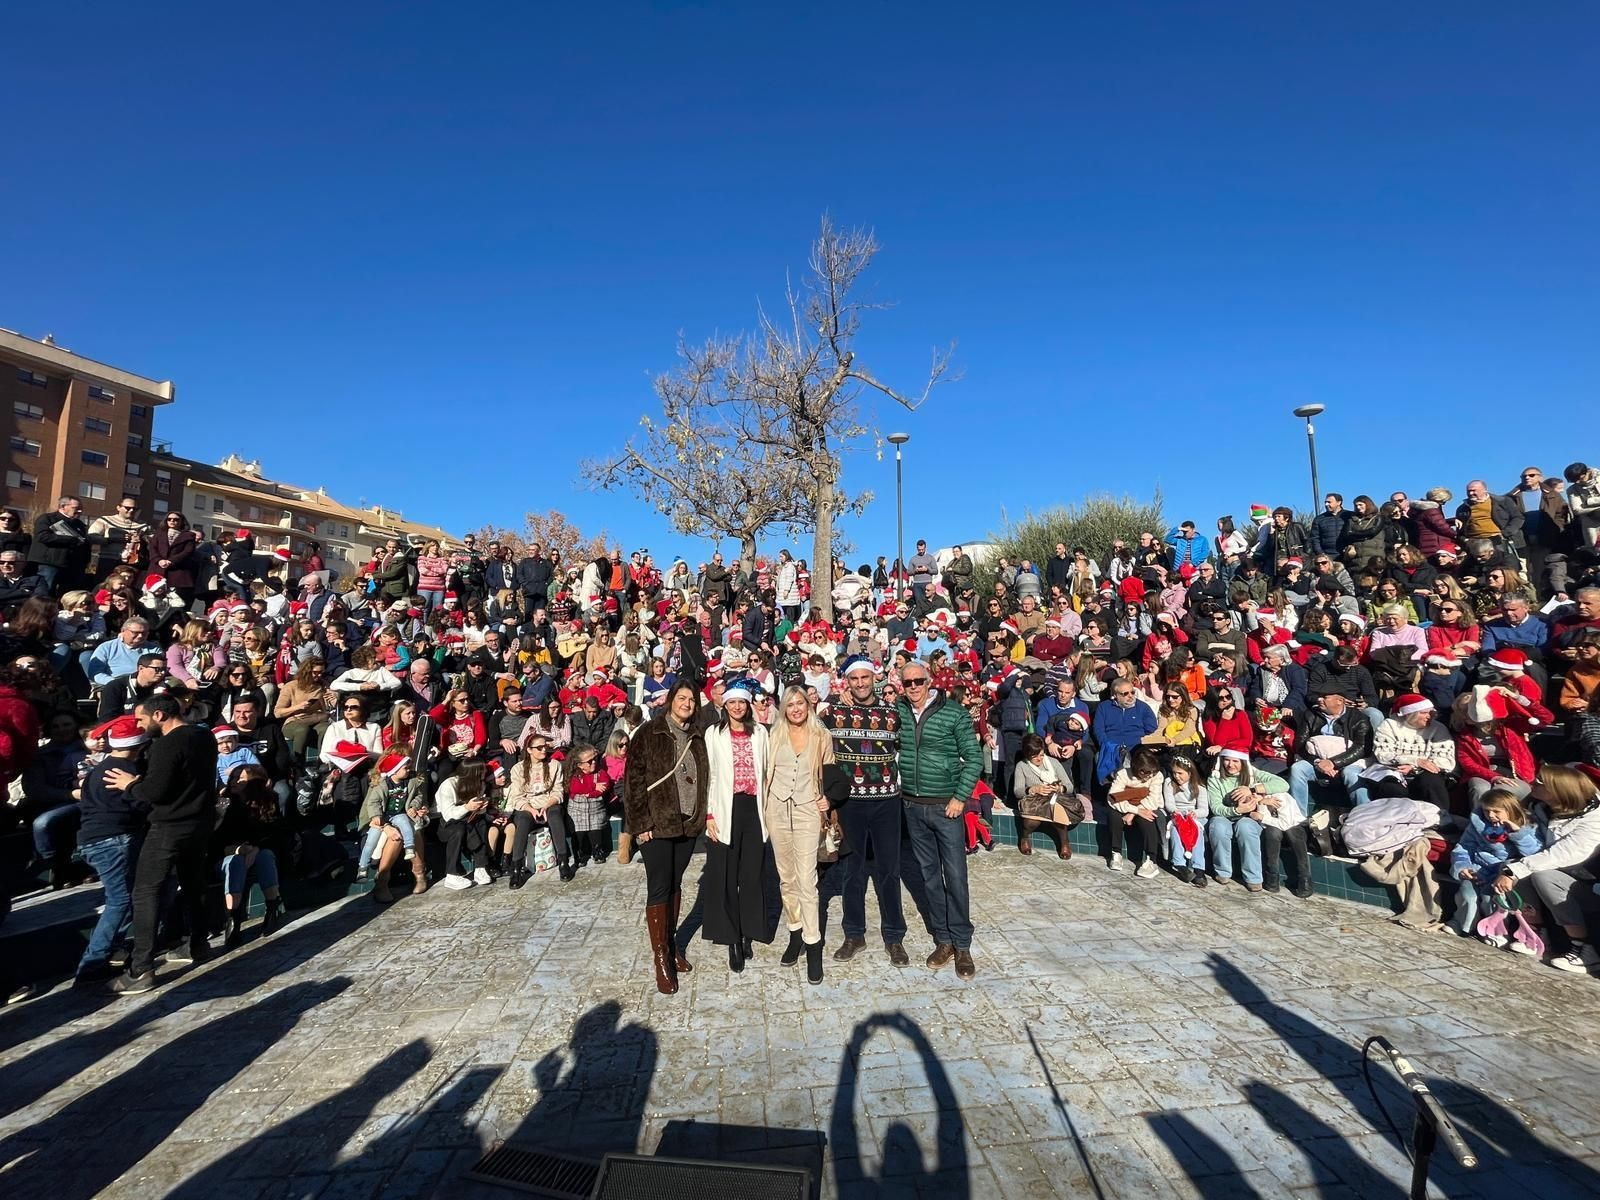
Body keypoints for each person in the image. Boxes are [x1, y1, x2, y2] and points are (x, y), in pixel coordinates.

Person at [107, 695, 219, 994]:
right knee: (193, 883)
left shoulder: (167, 744)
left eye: (142, 720)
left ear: (159, 715)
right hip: (200, 823)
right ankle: (198, 943)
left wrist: (129, 785)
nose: (140, 726)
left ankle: (141, 967)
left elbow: (156, 791)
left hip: (170, 826)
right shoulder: (204, 734)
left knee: (145, 891)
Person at [896, 659, 983, 979]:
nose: (914, 687)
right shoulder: (900, 710)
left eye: (919, 681)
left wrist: (960, 798)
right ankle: (944, 940)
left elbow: (974, 759)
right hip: (913, 806)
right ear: (901, 685)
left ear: (929, 680)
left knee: (956, 876)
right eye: (908, 683)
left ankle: (962, 944)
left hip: (946, 806)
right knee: (929, 876)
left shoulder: (953, 713)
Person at [624, 680, 708, 995]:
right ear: (670, 700)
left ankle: (672, 946)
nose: (687, 703)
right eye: (681, 697)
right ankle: (661, 957)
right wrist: (640, 822)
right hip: (656, 823)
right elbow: (633, 780)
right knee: (659, 886)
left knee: (675, 884)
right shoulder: (649, 732)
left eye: (692, 699)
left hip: (686, 824)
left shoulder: (697, 735)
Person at [826, 656, 908, 966]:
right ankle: (854, 934)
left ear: (874, 678)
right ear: (846, 681)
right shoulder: (834, 712)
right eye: (854, 679)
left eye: (865, 678)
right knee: (853, 872)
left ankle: (894, 936)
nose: (860, 684)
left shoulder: (891, 712)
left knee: (889, 871)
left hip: (887, 800)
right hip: (851, 803)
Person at [1496, 763, 1600, 973]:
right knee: (1517, 869)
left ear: (1558, 791)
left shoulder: (1593, 820)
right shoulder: (1541, 806)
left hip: (1586, 886)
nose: (1533, 783)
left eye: (1540, 782)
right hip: (1558, 874)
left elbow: (1562, 855)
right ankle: (1534, 932)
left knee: (1540, 875)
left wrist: (1512, 871)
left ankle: (1584, 949)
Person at [72, 715, 149, 985]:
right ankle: (91, 964)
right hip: (112, 840)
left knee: (123, 897)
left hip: (94, 840)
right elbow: (138, 806)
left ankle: (112, 949)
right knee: (120, 901)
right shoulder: (122, 772)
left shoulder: (101, 767)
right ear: (138, 745)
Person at [701, 678, 771, 972]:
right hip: (725, 807)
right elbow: (710, 775)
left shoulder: (760, 733)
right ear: (725, 704)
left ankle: (749, 931)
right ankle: (731, 937)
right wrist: (709, 814)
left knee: (752, 874)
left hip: (753, 808)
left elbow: (766, 772)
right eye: (733, 702)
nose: (738, 707)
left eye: (742, 702)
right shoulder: (713, 733)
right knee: (726, 874)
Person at [1448, 786, 1542, 941]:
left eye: (1496, 811)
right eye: (1486, 811)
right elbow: (1464, 847)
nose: (1491, 815)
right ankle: (1464, 924)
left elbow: (1534, 854)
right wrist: (1463, 866)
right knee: (1467, 893)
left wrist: (1517, 834)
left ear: (1510, 809)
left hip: (1502, 871)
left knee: (1491, 898)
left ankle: (1497, 930)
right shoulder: (1478, 825)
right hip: (1478, 869)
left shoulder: (1529, 826)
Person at [1206, 749, 1291, 892]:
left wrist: (1252, 789)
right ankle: (1222, 871)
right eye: (1227, 760)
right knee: (1218, 826)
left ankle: (1253, 877)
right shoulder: (1214, 779)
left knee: (1246, 828)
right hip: (1226, 815)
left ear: (1243, 763)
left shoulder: (1253, 774)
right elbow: (1216, 807)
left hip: (1249, 817)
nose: (1230, 765)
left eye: (1235, 761)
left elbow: (1283, 784)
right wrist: (1237, 810)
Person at [1011, 732, 1082, 859]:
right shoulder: (1022, 766)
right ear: (1027, 755)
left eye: (1041, 755)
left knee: (1059, 815)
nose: (1039, 759)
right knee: (1031, 822)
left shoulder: (1053, 762)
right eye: (1035, 756)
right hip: (1035, 801)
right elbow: (1017, 791)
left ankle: (1065, 843)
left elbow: (1069, 786)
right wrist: (1033, 789)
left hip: (1055, 799)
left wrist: (1060, 788)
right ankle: (1025, 837)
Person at [435, 762, 494, 889]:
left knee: (481, 823)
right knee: (459, 830)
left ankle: (480, 867)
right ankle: (451, 874)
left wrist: (480, 808)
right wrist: (467, 807)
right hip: (447, 823)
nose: (484, 775)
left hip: (469, 820)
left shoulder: (480, 784)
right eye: (481, 772)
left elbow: (480, 812)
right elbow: (448, 815)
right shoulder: (449, 785)